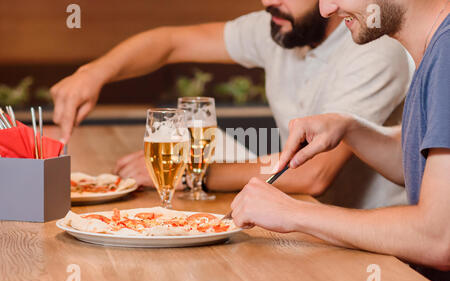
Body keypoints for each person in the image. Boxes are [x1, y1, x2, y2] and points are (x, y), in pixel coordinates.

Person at [50, 0, 413, 209]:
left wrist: (191, 172)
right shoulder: (283, 24)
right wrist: (94, 72)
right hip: (306, 223)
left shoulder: (375, 51)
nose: (269, 0)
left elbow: (312, 174)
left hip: (374, 246)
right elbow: (172, 42)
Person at [231, 0, 450, 281]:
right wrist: (350, 128)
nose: (327, 9)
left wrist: (292, 213)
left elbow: (438, 237)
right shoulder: (433, 46)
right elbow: (423, 165)